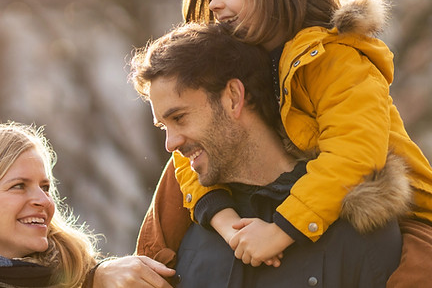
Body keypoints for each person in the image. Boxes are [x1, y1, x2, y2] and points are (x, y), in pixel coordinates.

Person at [138, 0, 432, 283]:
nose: (214, 4)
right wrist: (225, 221)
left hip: (412, 210)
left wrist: (282, 230)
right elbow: (188, 158)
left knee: (422, 272)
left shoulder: (335, 59)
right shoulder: (254, 63)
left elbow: (353, 155)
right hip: (324, 189)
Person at [131, 22, 406, 286]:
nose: (170, 144)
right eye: (163, 126)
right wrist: (97, 274)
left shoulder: (361, 231)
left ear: (233, 98)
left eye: (179, 117)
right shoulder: (179, 225)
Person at [0, 122, 177, 288]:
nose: (43, 200)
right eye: (19, 186)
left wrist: (96, 276)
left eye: (45, 187)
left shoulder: (79, 275)